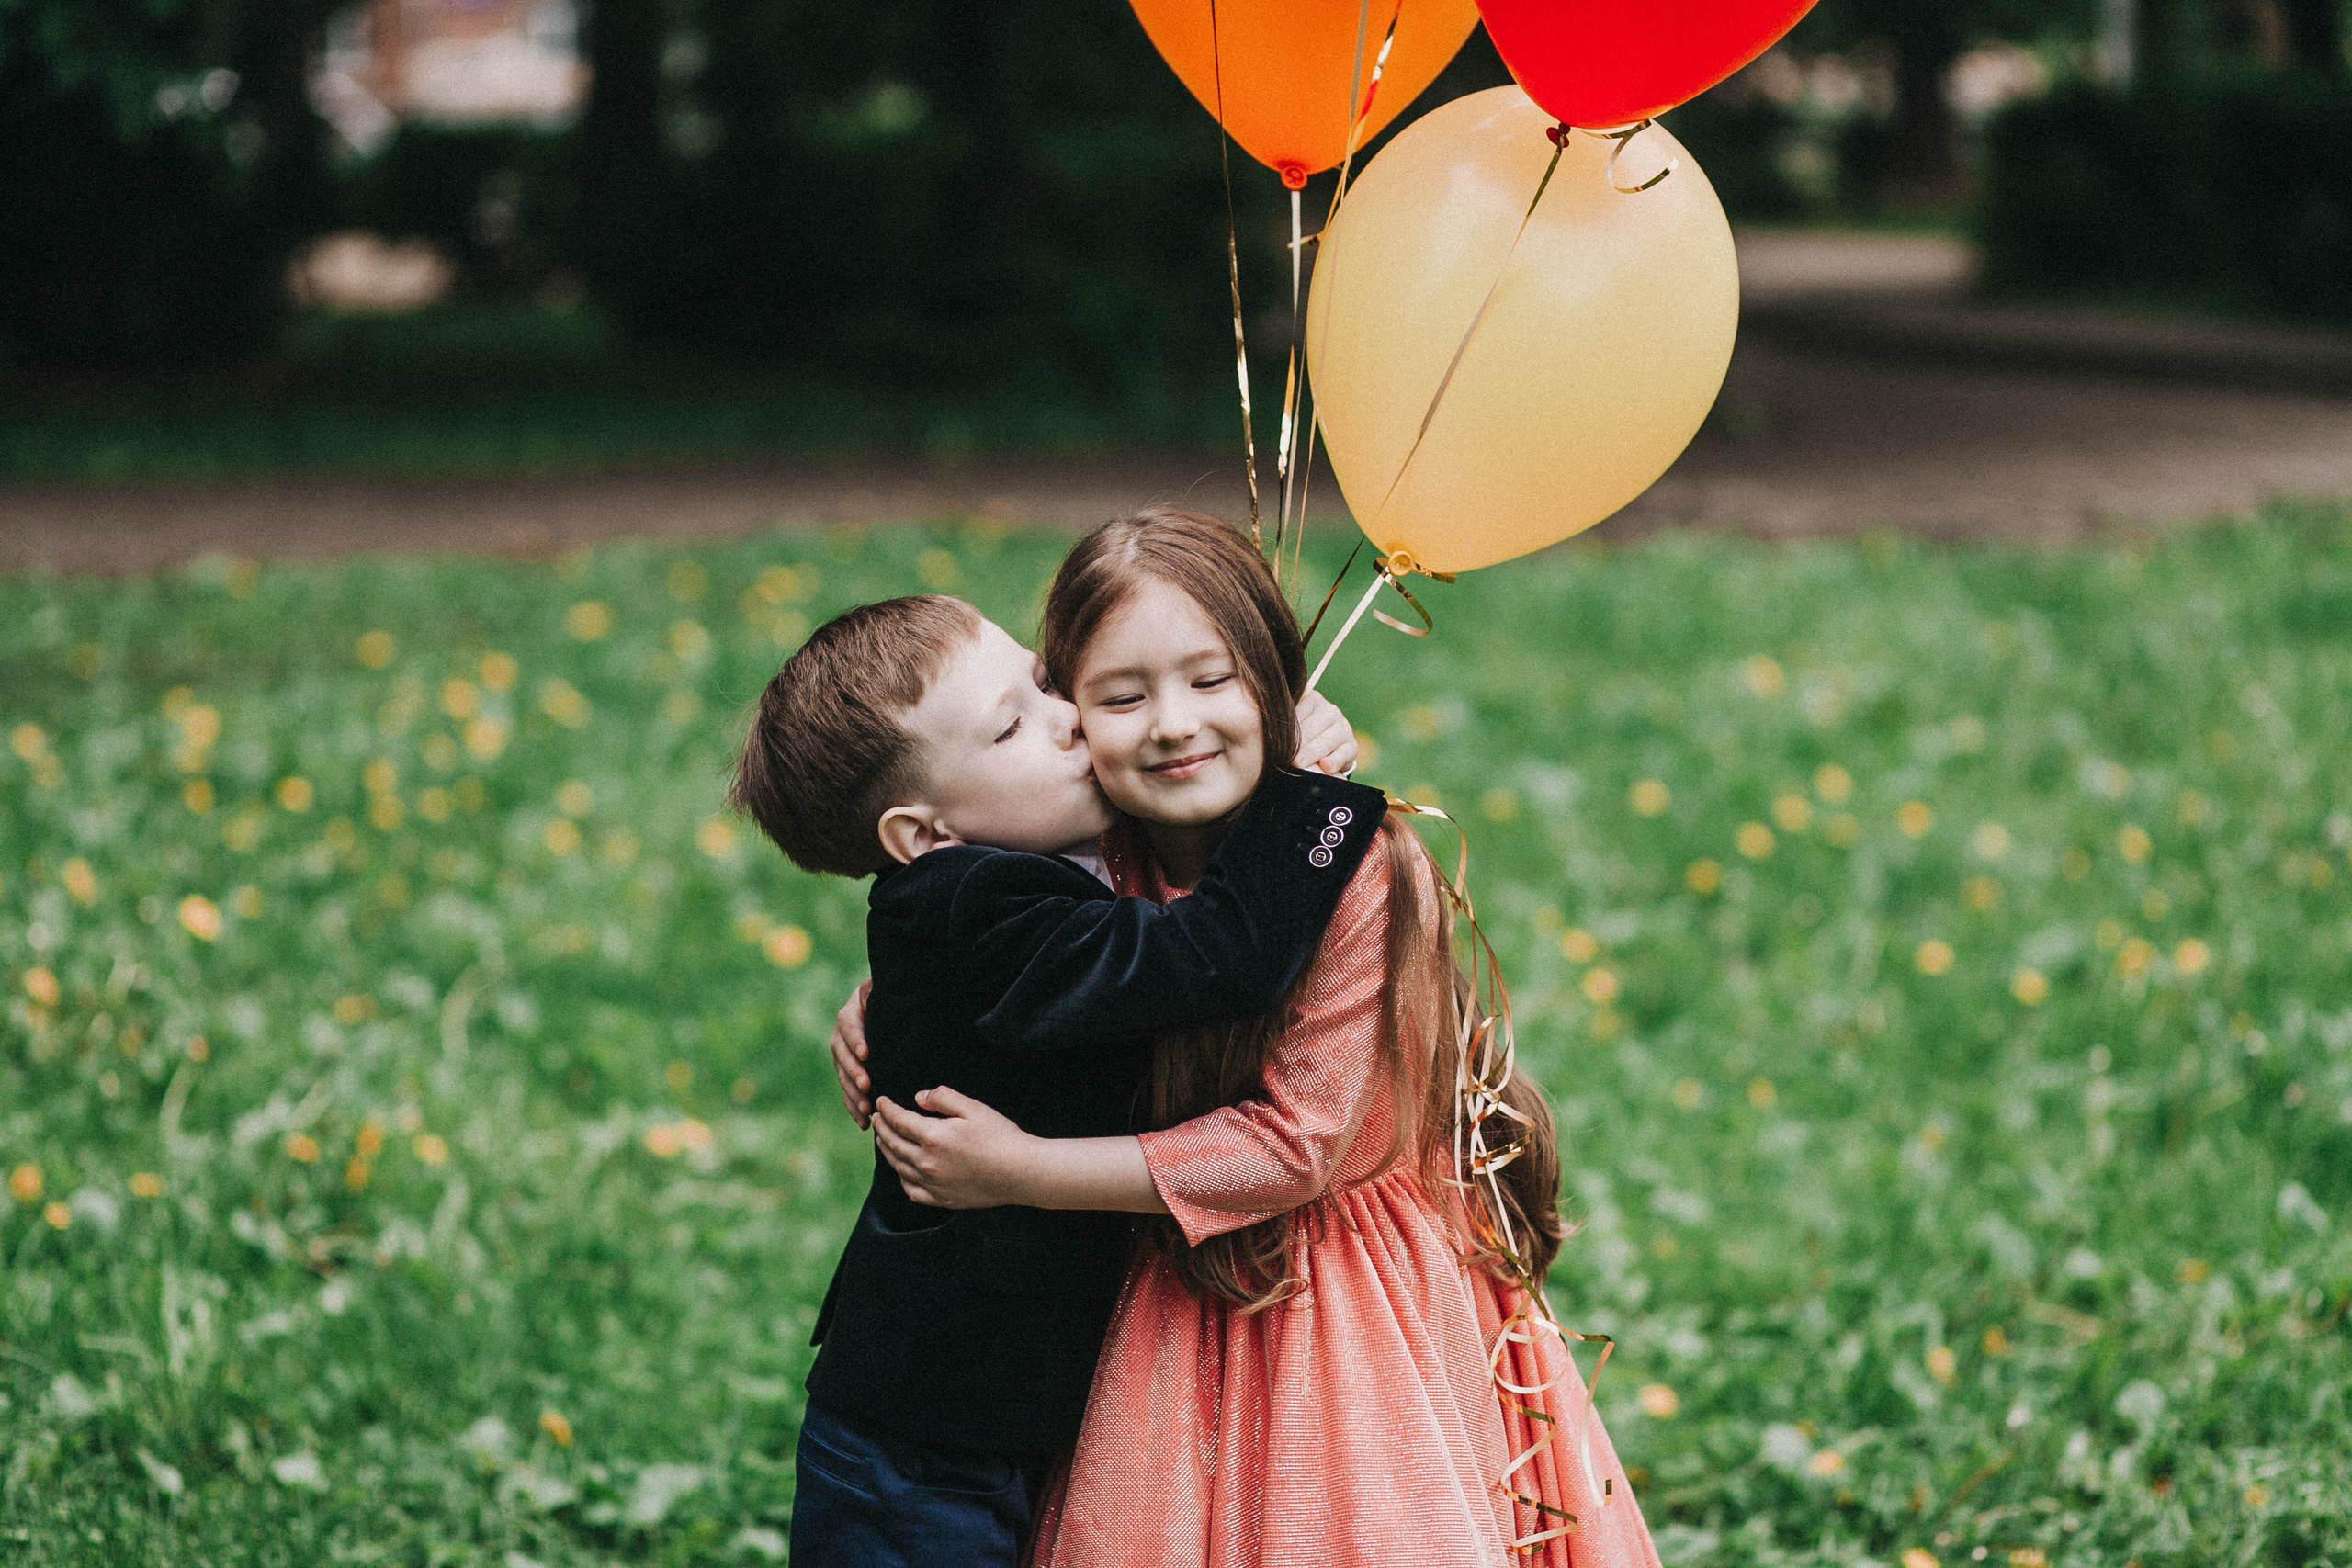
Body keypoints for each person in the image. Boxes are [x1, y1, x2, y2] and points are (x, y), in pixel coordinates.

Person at [860, 511, 1663, 1568]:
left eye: (1212, 680)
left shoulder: (1358, 869)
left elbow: (1300, 1148)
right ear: (1066, 715)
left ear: (1277, 687)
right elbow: (983, 931)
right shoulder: (1090, 840)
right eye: (1120, 695)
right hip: (1157, 1290)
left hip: (1331, 1289)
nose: (1171, 725)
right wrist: (879, 1002)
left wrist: (1026, 1171)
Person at [728, 591, 1384, 1568]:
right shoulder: (976, 905)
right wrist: (1308, 795)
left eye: (1040, 682)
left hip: (1002, 1408)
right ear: (924, 837)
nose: (1068, 718)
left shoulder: (999, 867)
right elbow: (1216, 956)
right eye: (1011, 728)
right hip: (925, 1439)